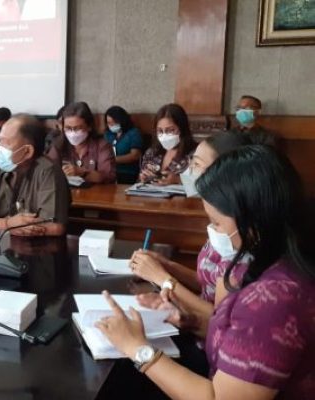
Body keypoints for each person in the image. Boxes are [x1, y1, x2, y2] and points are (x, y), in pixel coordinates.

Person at [97, 145, 315, 400]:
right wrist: (196, 323)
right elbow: (242, 336)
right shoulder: (268, 261)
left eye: (216, 223)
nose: (211, 230)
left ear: (254, 222)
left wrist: (137, 348)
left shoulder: (275, 299)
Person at [130, 132, 256, 337]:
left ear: (224, 171)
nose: (189, 171)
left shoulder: (236, 233)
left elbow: (219, 319)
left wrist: (163, 278)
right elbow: (208, 280)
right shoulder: (221, 222)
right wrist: (167, 265)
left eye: (196, 164)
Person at [0, 114, 70, 236]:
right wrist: (6, 224)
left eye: (6, 142)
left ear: (27, 151)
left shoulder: (48, 172)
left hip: (36, 245)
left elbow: (54, 227)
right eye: (0, 140)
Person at [46, 102, 116, 184]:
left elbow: (109, 176)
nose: (72, 133)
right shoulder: (58, 144)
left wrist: (83, 173)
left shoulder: (102, 146)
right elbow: (47, 171)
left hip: (97, 191)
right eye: (68, 128)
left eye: (77, 128)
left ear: (89, 126)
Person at [139, 103, 196, 185]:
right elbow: (141, 178)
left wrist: (178, 180)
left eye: (170, 130)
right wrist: (144, 178)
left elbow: (205, 183)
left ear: (182, 128)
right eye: (160, 131)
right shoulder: (151, 152)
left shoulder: (196, 153)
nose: (164, 135)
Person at [103, 106, 143, 184]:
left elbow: (135, 155)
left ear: (122, 120)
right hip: (109, 172)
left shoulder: (133, 133)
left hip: (127, 173)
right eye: (109, 123)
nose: (112, 125)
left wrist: (113, 160)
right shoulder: (108, 134)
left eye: (114, 122)